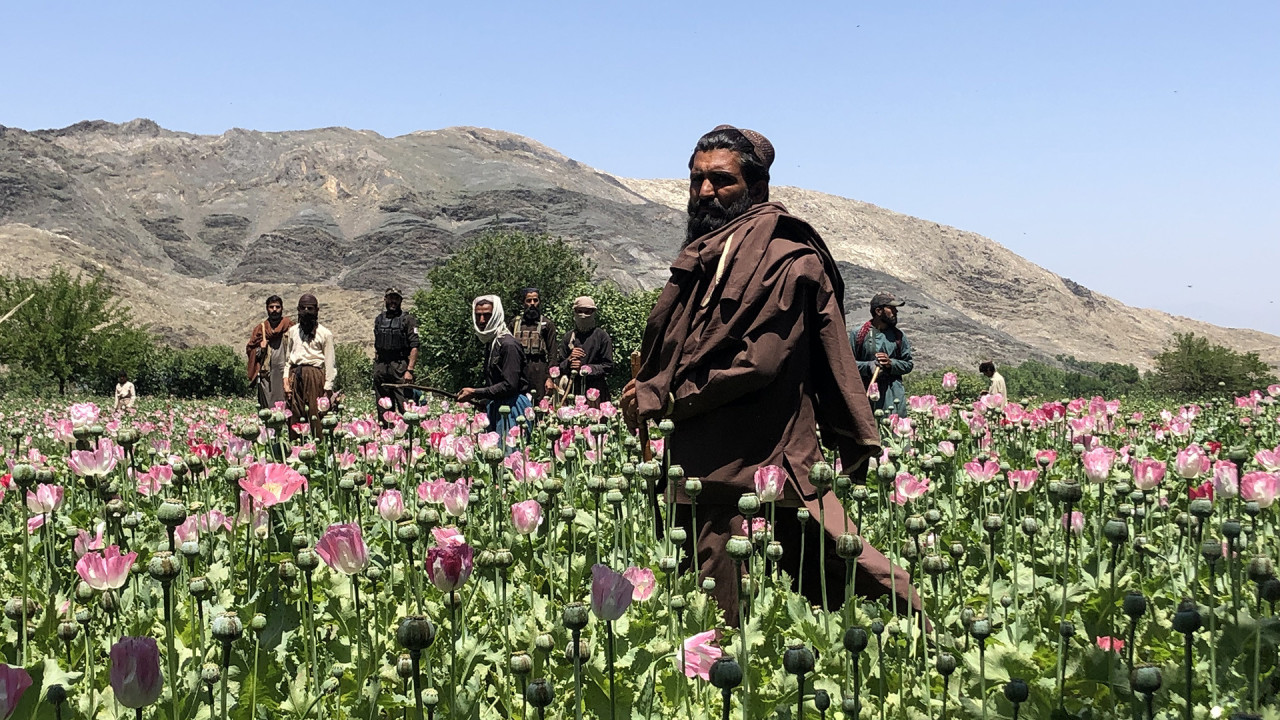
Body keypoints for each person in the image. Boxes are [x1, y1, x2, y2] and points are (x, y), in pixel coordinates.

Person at [621, 124, 913, 626]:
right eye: (697, 180)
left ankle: (928, 639)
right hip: (701, 458)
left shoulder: (787, 259)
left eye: (721, 181)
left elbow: (758, 363)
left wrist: (667, 400)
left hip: (763, 455)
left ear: (756, 188)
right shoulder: (711, 251)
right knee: (715, 599)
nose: (705, 192)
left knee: (838, 565)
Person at [456, 296, 531, 440]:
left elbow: (510, 385)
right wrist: (485, 401)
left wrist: (476, 392)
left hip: (513, 408)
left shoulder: (508, 345)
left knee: (511, 455)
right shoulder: (492, 342)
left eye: (487, 315)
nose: (482, 320)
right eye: (478, 315)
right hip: (498, 406)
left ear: (496, 315)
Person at [852, 292, 914, 418]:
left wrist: (891, 364)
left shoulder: (899, 336)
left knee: (894, 431)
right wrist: (869, 366)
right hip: (866, 393)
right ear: (879, 311)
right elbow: (848, 365)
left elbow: (908, 364)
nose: (896, 312)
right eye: (891, 308)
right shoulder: (858, 334)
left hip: (893, 394)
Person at [282, 294, 336, 437]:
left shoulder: (325, 334)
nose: (306, 311)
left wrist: (328, 387)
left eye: (310, 308)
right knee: (294, 413)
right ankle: (295, 446)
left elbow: (330, 362)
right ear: (298, 310)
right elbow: (288, 358)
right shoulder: (293, 331)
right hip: (295, 374)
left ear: (317, 310)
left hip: (314, 375)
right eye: (303, 308)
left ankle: (319, 447)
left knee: (316, 414)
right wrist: (285, 379)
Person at [556, 296, 614, 403]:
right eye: (580, 311)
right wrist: (569, 361)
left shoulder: (602, 337)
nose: (583, 315)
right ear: (574, 312)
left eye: (587, 312)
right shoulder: (568, 337)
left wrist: (585, 369)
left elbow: (608, 366)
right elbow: (559, 367)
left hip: (595, 393)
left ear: (593, 313)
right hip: (571, 392)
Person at [373, 288, 420, 419]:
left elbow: (415, 346)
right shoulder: (379, 319)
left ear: (400, 300)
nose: (393, 301)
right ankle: (385, 433)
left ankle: (409, 434)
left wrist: (409, 370)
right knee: (383, 407)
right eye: (390, 298)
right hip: (381, 366)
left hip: (400, 366)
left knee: (405, 405)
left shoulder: (408, 319)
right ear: (385, 299)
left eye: (396, 298)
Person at [510, 287, 559, 403]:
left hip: (539, 372)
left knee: (539, 406)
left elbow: (553, 354)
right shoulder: (515, 324)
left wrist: (550, 378)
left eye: (535, 300)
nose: (532, 304)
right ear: (523, 303)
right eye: (529, 300)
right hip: (518, 373)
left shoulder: (547, 324)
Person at [246, 295, 293, 410]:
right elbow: (250, 350)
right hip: (267, 375)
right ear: (267, 309)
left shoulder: (290, 326)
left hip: (286, 373)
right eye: (271, 307)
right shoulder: (260, 329)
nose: (275, 310)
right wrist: (260, 349)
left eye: (277, 307)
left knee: (288, 404)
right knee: (269, 408)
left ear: (282, 308)